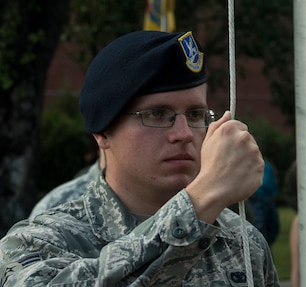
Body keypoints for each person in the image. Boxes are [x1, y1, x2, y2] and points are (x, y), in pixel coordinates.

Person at [0, 30, 279, 286]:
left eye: (195, 114)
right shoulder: (37, 243)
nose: (183, 133)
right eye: (156, 114)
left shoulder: (241, 240)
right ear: (102, 132)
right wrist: (202, 201)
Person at [248, 160, 280, 247]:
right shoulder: (249, 164)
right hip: (256, 197)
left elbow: (273, 181)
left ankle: (266, 247)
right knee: (260, 225)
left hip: (268, 199)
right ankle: (260, 247)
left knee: (273, 225)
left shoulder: (267, 165)